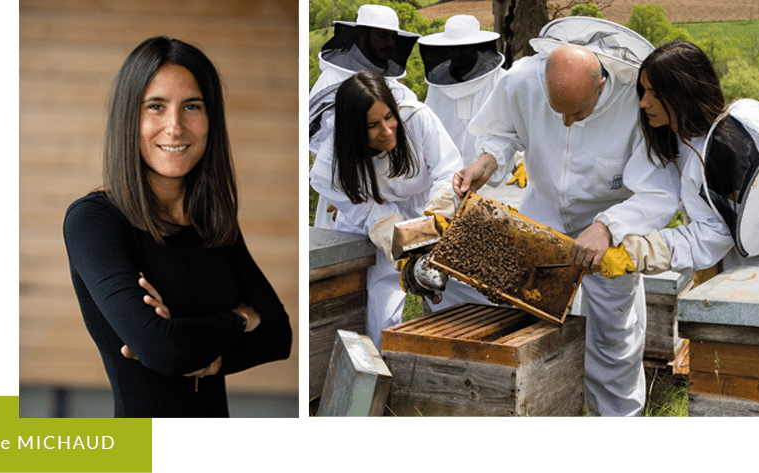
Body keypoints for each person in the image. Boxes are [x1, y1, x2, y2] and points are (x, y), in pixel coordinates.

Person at [454, 18, 680, 416]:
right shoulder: (522, 79)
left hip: (610, 236)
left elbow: (659, 190)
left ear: (602, 86)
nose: (566, 123)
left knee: (613, 341)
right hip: (540, 223)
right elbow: (503, 133)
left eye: (577, 112)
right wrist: (486, 163)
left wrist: (608, 225)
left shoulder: (635, 101)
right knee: (532, 335)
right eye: (558, 112)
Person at [63, 36, 292, 418]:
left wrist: (210, 356)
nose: (175, 127)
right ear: (128, 117)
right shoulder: (94, 220)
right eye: (155, 106)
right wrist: (240, 319)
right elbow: (162, 351)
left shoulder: (211, 218)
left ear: (210, 117)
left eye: (192, 107)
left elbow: (278, 336)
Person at [309, 70, 466, 351]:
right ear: (354, 129)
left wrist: (436, 220)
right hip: (373, 216)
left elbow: (448, 171)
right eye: (372, 125)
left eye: (389, 117)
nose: (387, 130)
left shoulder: (417, 118)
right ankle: (381, 375)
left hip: (427, 204)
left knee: (456, 285)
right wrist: (405, 251)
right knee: (383, 299)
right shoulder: (329, 166)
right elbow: (370, 212)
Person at [607, 41, 759, 277]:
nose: (643, 103)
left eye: (654, 94)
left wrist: (641, 251)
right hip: (734, 265)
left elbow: (714, 233)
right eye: (643, 91)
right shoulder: (680, 138)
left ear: (683, 93)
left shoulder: (728, 147)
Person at [309, 4, 420, 229]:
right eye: (382, 36)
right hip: (345, 195)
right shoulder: (331, 82)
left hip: (391, 193)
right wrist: (341, 194)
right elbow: (318, 145)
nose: (389, 43)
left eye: (392, 37)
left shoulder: (398, 88)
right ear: (361, 34)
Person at [418, 15, 506, 167]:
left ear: (477, 45)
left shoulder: (501, 81)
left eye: (464, 47)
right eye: (453, 48)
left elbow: (516, 128)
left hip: (493, 178)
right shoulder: (437, 86)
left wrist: (520, 161)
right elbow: (428, 129)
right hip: (446, 177)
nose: (457, 54)